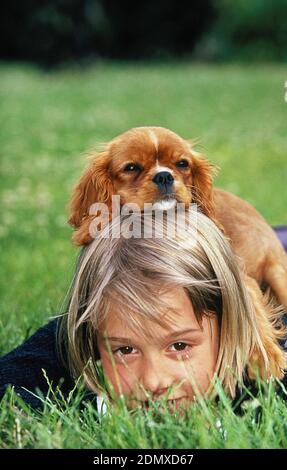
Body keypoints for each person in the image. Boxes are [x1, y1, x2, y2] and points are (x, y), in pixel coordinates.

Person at [0, 210, 286, 414]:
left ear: (230, 323)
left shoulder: (268, 363)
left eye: (179, 345)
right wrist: (100, 406)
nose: (154, 382)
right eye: (125, 351)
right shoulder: (92, 321)